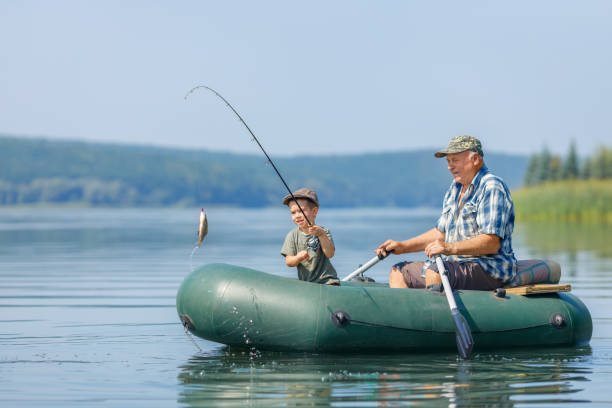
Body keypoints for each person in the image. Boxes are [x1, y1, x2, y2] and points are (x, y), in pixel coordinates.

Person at [376, 134, 517, 290]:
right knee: (398, 271)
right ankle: (407, 314)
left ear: (475, 159)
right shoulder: (455, 188)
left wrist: (448, 248)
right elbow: (441, 233)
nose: (450, 167)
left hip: (490, 268)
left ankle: (433, 314)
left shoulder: (491, 186)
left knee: (435, 271)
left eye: (455, 161)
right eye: (448, 161)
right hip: (456, 265)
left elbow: (491, 243)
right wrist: (402, 246)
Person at [281, 188, 340, 285]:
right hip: (307, 284)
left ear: (314, 211)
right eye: (293, 212)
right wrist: (298, 258)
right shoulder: (292, 235)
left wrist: (321, 235)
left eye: (301, 211)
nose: (297, 216)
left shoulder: (324, 231)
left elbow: (330, 254)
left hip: (328, 282)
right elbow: (289, 261)